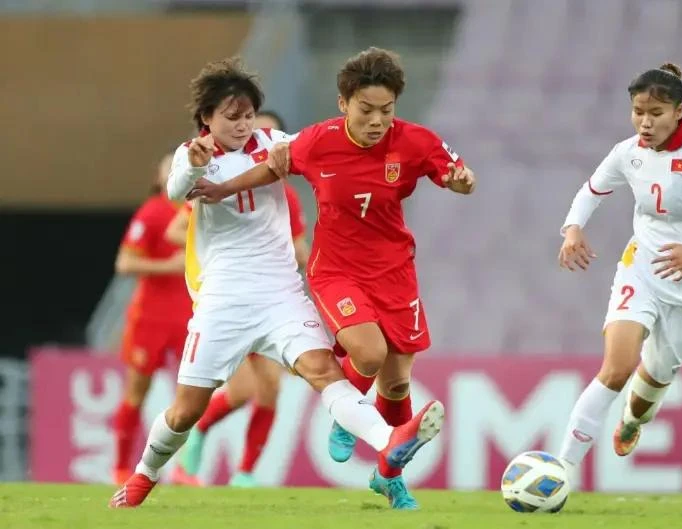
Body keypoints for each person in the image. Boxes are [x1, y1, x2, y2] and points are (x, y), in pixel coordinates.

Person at [109, 57, 444, 508]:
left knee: (323, 371)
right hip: (223, 302)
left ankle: (389, 441)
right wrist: (192, 165)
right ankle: (144, 475)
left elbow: (327, 141)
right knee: (187, 409)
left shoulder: (275, 143)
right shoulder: (195, 156)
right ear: (207, 118)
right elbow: (175, 191)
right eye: (232, 117)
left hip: (281, 294)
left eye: (248, 115)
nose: (243, 125)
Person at [187, 47, 476, 509]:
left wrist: (461, 181)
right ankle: (347, 415)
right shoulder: (318, 140)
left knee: (398, 384)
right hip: (337, 269)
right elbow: (271, 167)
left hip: (395, 271)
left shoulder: (416, 141)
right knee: (369, 351)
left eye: (386, 110)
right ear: (344, 103)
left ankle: (388, 474)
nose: (377, 120)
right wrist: (222, 187)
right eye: (366, 110)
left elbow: (457, 175)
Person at [556, 63, 682, 473]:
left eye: (656, 114)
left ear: (679, 112)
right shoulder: (627, 153)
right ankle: (560, 469)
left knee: (653, 382)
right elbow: (592, 190)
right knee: (616, 368)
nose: (645, 123)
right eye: (638, 112)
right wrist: (573, 228)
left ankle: (633, 421)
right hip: (642, 266)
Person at [167, 110, 311, 488]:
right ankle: (202, 443)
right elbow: (177, 225)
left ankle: (243, 473)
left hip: (270, 297)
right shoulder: (214, 175)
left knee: (267, 390)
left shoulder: (285, 195)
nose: (248, 136)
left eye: (258, 128)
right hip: (229, 296)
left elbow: (299, 248)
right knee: (248, 390)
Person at [111, 153, 192, 486]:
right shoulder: (153, 211)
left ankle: (185, 470)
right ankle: (119, 467)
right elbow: (125, 264)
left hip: (191, 315)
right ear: (161, 179)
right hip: (151, 317)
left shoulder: (202, 209)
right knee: (136, 392)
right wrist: (168, 267)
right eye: (169, 169)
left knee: (193, 395)